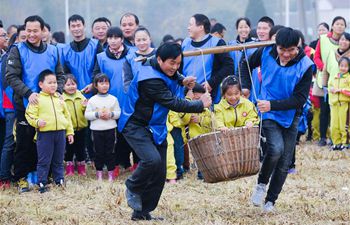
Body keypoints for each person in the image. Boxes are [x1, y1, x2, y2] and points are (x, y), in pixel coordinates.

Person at [118, 42, 212, 220]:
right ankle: (132, 185)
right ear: (159, 59)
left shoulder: (159, 65)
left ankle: (142, 213)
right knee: (151, 160)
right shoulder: (149, 80)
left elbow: (172, 75)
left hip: (156, 126)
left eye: (178, 63)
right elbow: (173, 102)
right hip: (136, 124)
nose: (175, 67)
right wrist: (200, 104)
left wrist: (181, 79)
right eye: (172, 63)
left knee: (160, 172)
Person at [241, 28, 314, 212]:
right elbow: (245, 64)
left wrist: (272, 105)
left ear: (298, 47)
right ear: (277, 46)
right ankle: (261, 184)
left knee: (285, 162)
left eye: (292, 50)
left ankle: (270, 201)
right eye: (283, 49)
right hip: (268, 112)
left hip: (290, 114)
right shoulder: (266, 51)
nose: (287, 54)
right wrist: (246, 86)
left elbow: (299, 99)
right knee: (275, 149)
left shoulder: (305, 65)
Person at [6, 15, 65, 193]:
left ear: (43, 31)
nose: (32, 34)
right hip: (25, 105)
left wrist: (59, 92)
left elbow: (60, 75)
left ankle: (43, 176)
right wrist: (28, 92)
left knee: (45, 144)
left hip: (49, 108)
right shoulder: (17, 50)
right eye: (28, 31)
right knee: (24, 143)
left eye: (35, 31)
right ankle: (22, 177)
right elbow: (11, 76)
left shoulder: (53, 51)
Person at [25, 69, 74, 193]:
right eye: (50, 82)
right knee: (44, 160)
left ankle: (59, 180)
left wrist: (69, 132)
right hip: (45, 134)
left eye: (55, 82)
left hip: (60, 133)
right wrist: (37, 122)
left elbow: (66, 115)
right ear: (41, 84)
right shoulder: (37, 98)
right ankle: (42, 182)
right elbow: (29, 115)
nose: (53, 85)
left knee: (58, 159)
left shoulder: (59, 98)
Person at [93, 26, 133, 176]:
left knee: (129, 133)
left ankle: (131, 164)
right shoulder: (101, 57)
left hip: (129, 100)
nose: (113, 40)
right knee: (112, 136)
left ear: (122, 39)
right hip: (108, 103)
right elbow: (96, 76)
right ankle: (113, 165)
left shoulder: (131, 54)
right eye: (110, 38)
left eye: (117, 37)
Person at [181, 13, 233, 104]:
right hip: (185, 95)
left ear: (201, 27)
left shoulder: (217, 43)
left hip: (208, 96)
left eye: (190, 25)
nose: (188, 28)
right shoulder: (185, 43)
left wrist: (211, 82)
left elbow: (229, 66)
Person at [313, 16, 346, 146]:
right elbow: (316, 57)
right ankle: (322, 137)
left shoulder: (346, 41)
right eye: (337, 24)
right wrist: (323, 68)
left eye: (342, 24)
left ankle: (336, 137)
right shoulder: (323, 39)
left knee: (338, 111)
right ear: (332, 26)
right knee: (324, 110)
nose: (339, 26)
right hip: (324, 80)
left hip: (342, 81)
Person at [0, 25, 26, 189]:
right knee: (10, 141)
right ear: (15, 40)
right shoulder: (9, 57)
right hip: (12, 105)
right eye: (22, 37)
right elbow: (7, 83)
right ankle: (4, 177)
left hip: (27, 104)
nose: (25, 40)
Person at [85, 74, 121, 182]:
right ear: (96, 85)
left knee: (110, 152)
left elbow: (118, 113)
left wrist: (111, 114)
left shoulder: (113, 99)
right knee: (98, 152)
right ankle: (99, 173)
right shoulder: (92, 100)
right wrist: (97, 114)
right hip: (97, 130)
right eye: (101, 83)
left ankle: (111, 173)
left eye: (106, 83)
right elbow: (87, 115)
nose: (104, 85)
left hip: (110, 129)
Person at [61, 14, 103, 96]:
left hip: (94, 92)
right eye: (73, 26)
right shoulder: (65, 50)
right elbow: (65, 73)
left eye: (78, 25)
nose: (76, 28)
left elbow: (100, 68)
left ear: (84, 26)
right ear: (69, 28)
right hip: (73, 94)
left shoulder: (95, 45)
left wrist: (93, 85)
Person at [63, 74, 88, 176]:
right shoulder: (62, 98)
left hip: (82, 128)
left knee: (81, 148)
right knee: (69, 149)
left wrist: (85, 107)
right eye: (68, 84)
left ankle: (81, 167)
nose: (71, 87)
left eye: (73, 84)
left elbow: (85, 112)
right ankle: (69, 167)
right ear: (63, 87)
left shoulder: (80, 96)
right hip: (70, 130)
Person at [327, 57, 350, 150]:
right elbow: (330, 87)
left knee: (344, 125)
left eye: (345, 66)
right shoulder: (335, 77)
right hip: (335, 104)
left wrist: (340, 90)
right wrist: (332, 89)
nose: (343, 68)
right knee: (334, 125)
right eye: (341, 66)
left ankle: (345, 143)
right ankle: (336, 143)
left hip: (344, 104)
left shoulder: (348, 78)